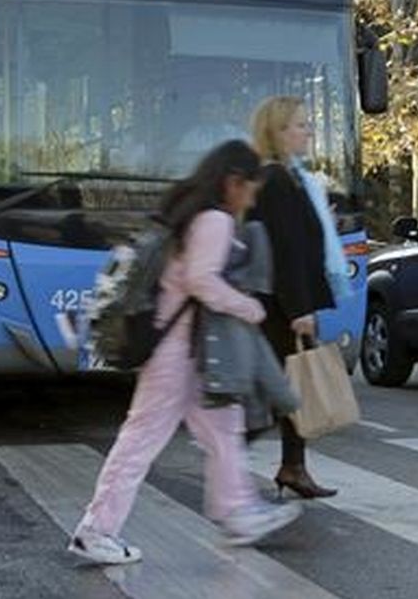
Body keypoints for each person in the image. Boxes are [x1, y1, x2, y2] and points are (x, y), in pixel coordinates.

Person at [69, 140, 302, 565]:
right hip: (178, 353)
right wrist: (248, 307)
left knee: (224, 428)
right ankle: (96, 529)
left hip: (191, 350)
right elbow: (201, 281)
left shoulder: (191, 212)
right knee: (141, 441)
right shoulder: (214, 219)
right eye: (251, 187)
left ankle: (238, 512)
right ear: (233, 182)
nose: (253, 196)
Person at [249, 96, 352, 500]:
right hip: (281, 306)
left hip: (280, 303)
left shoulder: (290, 178)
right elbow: (286, 251)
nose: (308, 131)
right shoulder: (277, 180)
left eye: (308, 124)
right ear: (277, 133)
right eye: (299, 125)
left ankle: (293, 466)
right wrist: (300, 310)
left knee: (290, 388)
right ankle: (234, 462)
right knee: (283, 389)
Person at [173, 92, 246, 173]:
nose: (205, 110)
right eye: (202, 107)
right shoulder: (190, 138)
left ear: (223, 108)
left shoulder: (238, 135)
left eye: (211, 106)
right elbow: (181, 166)